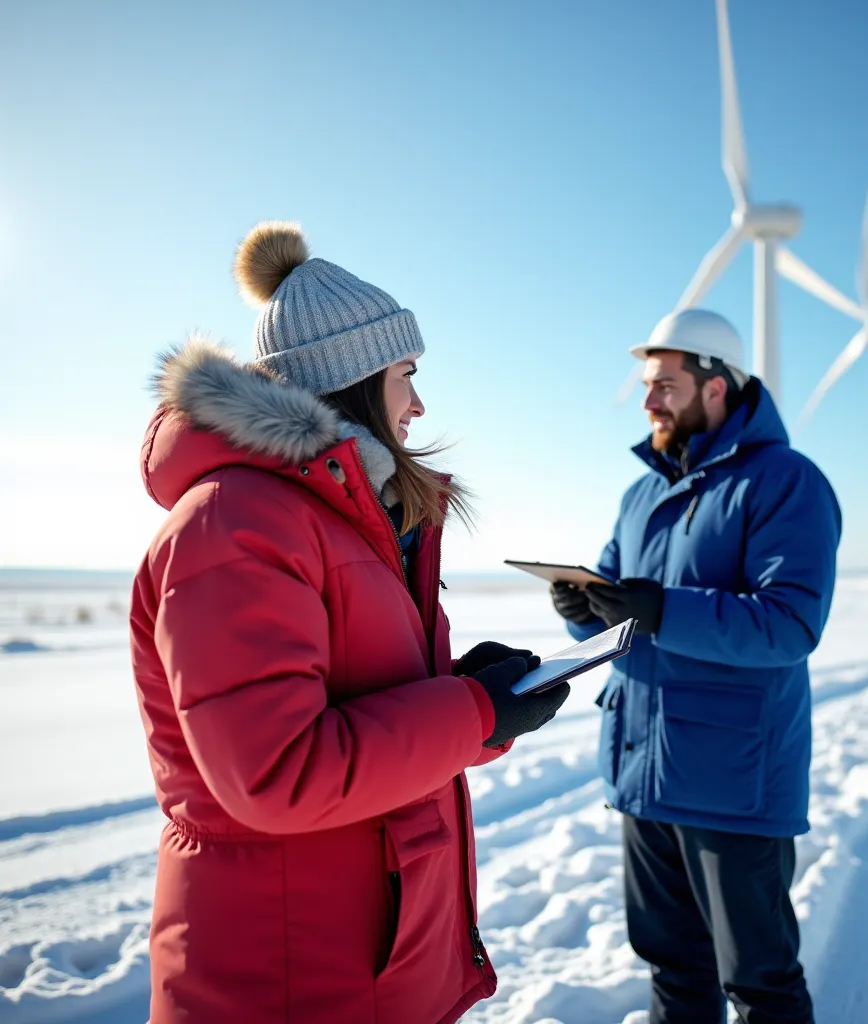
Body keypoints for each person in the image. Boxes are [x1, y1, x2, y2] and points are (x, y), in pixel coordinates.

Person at [130, 221, 570, 1023]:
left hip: (375, 963)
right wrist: (474, 713)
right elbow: (279, 771)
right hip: (290, 978)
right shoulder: (234, 525)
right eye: (407, 372)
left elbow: (367, 700)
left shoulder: (353, 519)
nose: (421, 400)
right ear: (356, 378)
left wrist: (473, 692)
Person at [550, 309, 841, 1024]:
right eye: (647, 385)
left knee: (760, 984)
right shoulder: (641, 495)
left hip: (734, 787)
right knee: (674, 973)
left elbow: (789, 625)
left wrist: (661, 609)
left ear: (717, 386)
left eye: (665, 385)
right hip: (644, 775)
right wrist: (582, 608)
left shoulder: (786, 482)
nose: (648, 400)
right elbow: (626, 616)